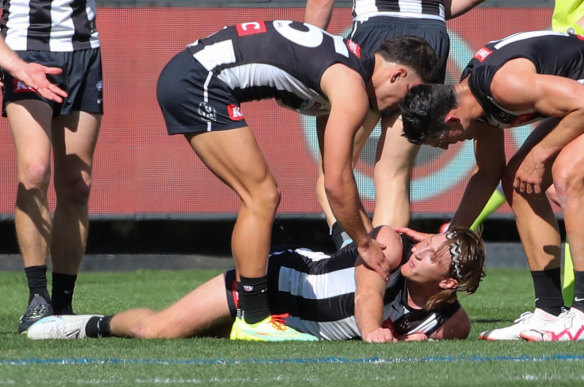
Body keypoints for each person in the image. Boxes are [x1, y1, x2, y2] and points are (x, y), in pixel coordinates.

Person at [154, 20, 439, 341]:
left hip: (192, 73)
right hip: (198, 81)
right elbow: (335, 180)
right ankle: (254, 318)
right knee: (261, 195)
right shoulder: (351, 88)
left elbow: (334, 176)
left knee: (261, 194)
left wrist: (366, 238)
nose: (400, 107)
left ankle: (91, 324)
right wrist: (363, 243)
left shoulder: (348, 62)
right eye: (406, 96)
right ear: (397, 74)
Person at [399, 30, 584, 341]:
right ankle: (548, 312)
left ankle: (581, 313)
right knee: (516, 180)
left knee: (567, 175)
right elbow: (489, 172)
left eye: (442, 141)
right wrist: (451, 236)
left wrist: (539, 156)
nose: (446, 148)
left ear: (453, 121)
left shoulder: (504, 86)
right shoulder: (477, 105)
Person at [25, 225, 486, 342]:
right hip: (276, 284)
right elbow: (368, 293)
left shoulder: (450, 321)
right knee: (157, 331)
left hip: (293, 327)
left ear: (446, 280)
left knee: (203, 332)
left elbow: (441, 333)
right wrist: (372, 332)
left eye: (434, 253)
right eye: (429, 241)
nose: (421, 248)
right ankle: (84, 325)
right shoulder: (389, 244)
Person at [305, 0, 484, 249]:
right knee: (394, 174)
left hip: (373, 29)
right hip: (430, 35)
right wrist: (436, 11)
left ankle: (350, 253)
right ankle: (385, 274)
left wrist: (308, 56)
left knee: (335, 168)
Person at [1, 0, 103, 333]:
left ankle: (62, 301)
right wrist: (13, 65)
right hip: (24, 53)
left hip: (83, 54)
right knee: (34, 171)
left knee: (78, 183)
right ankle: (37, 296)